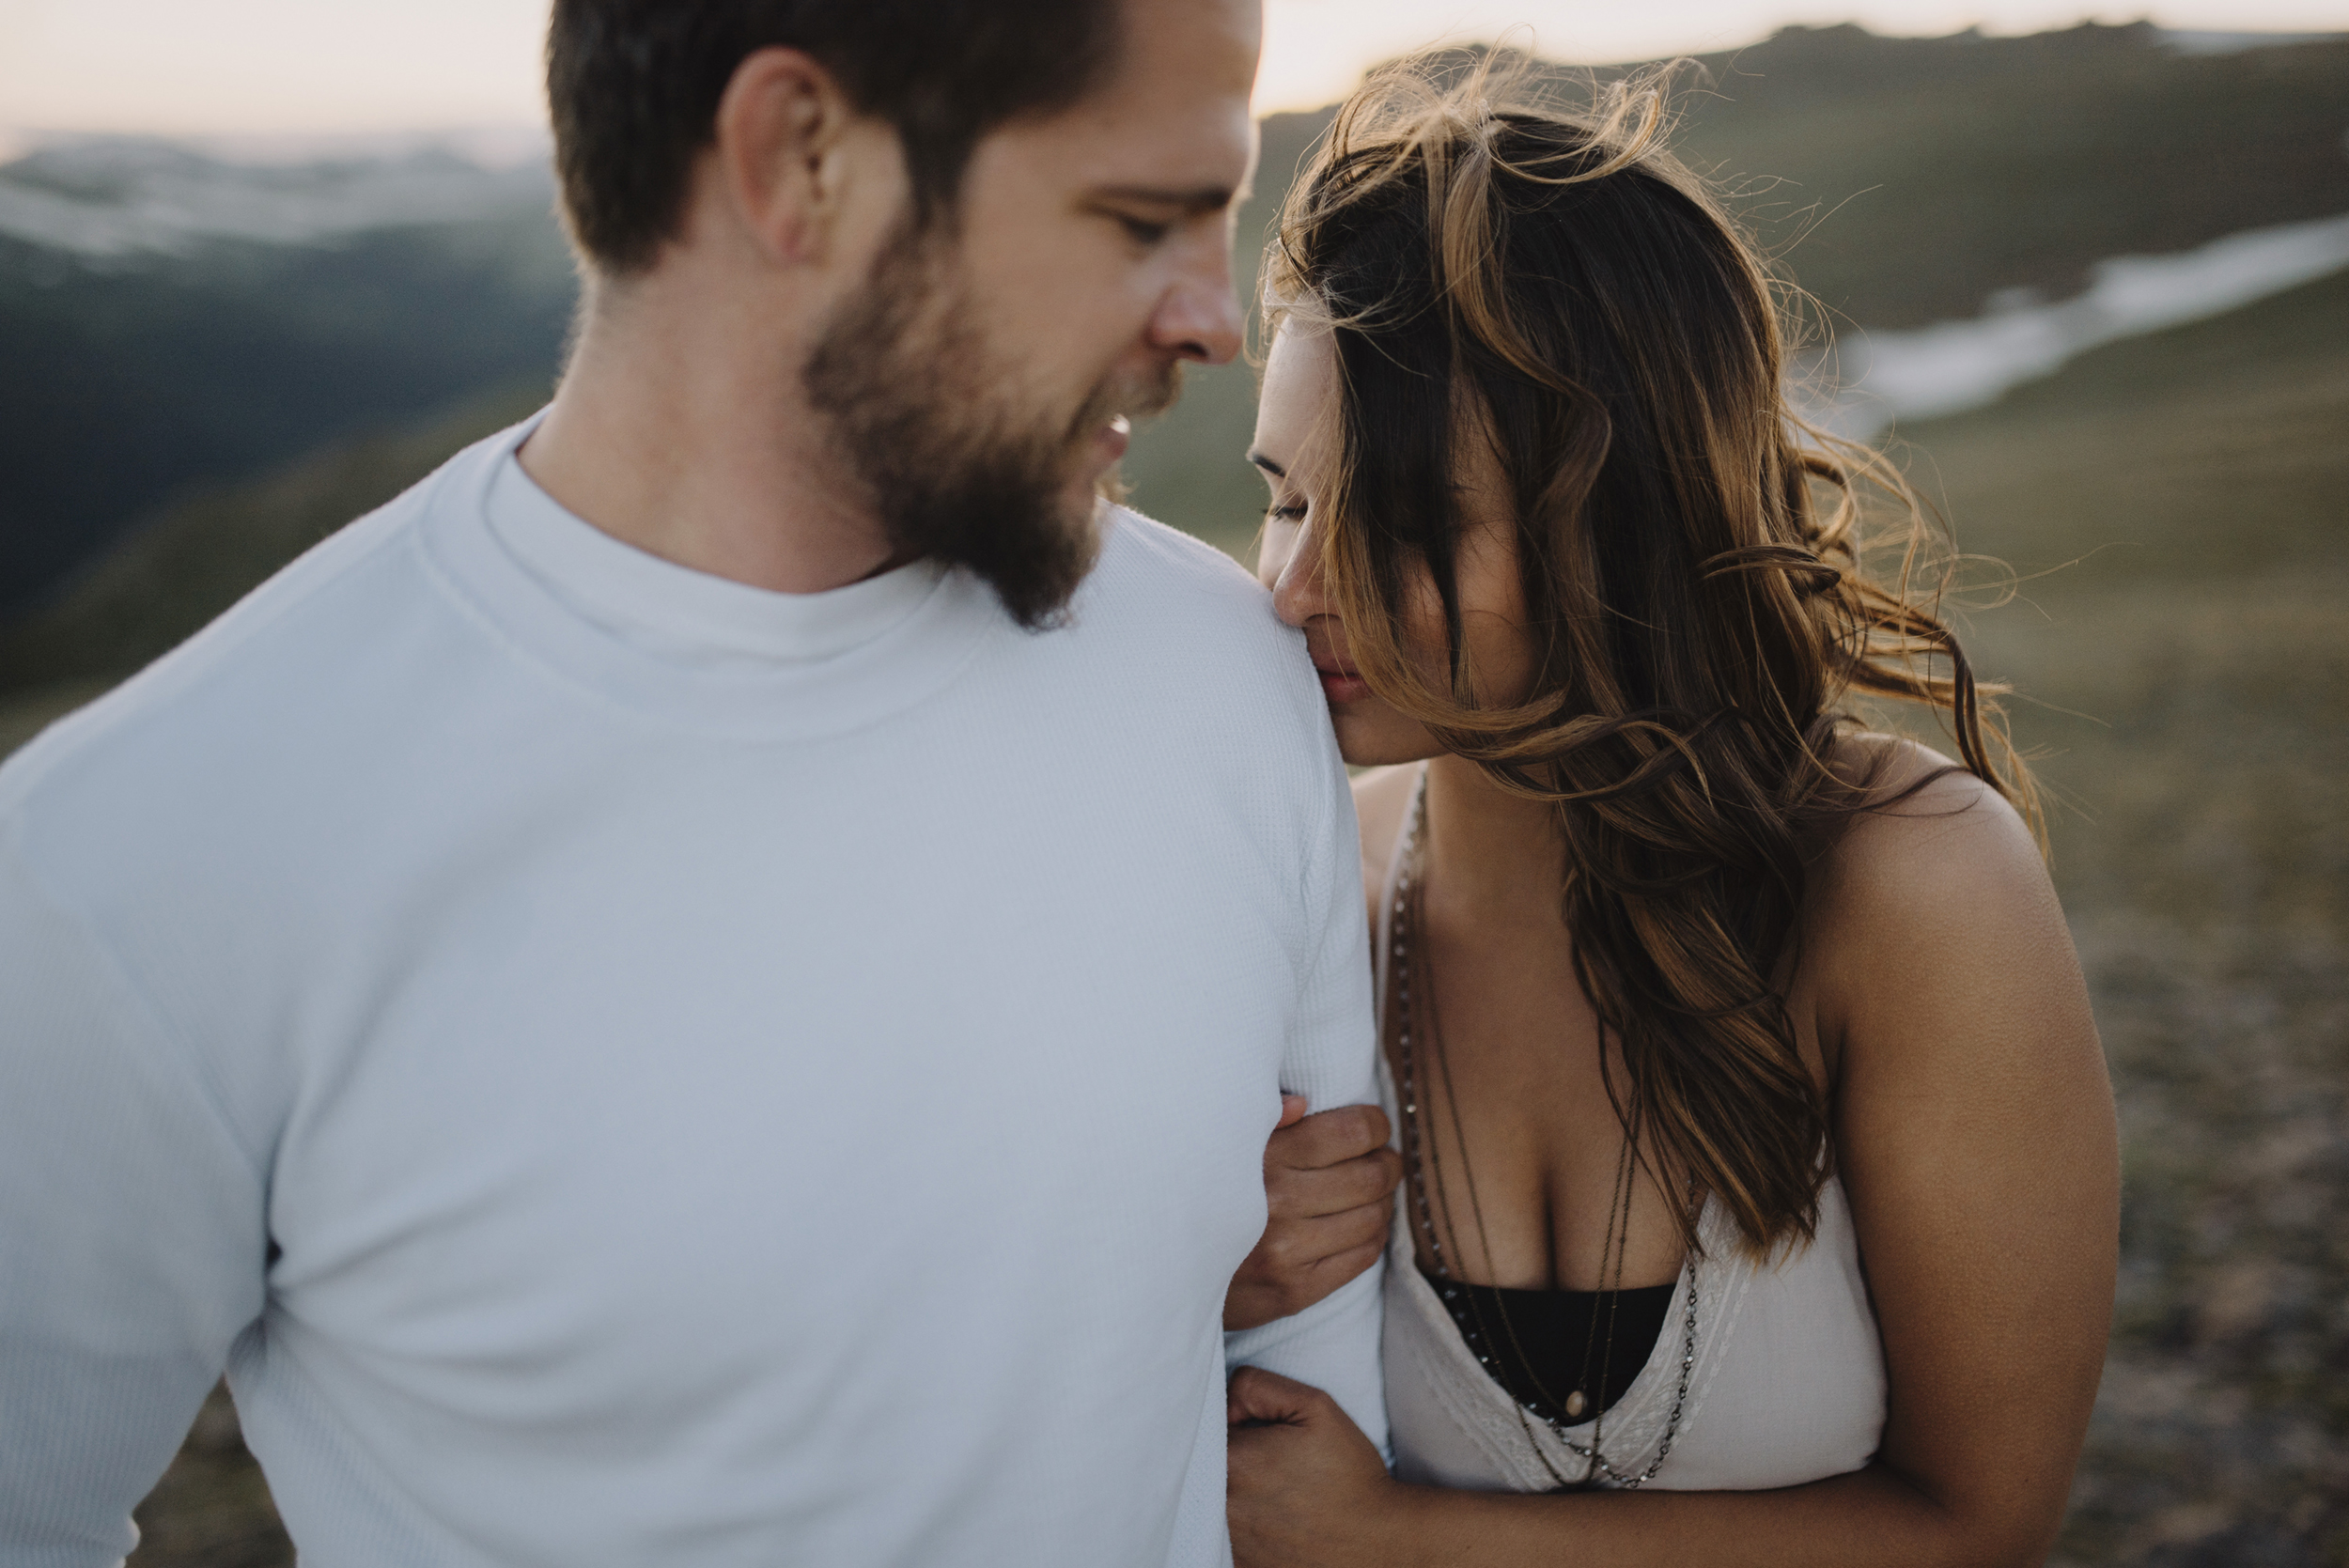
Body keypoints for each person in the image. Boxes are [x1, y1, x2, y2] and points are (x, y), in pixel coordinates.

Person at [0, 3, 1391, 1563]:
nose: (1214, 318)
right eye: (1141, 219)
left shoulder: (1225, 676)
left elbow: (1314, 1421)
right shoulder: (142, 861)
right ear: (800, 158)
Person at [1222, 59, 2121, 1566]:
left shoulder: (1912, 887)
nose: (1295, 587)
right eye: (1285, 498)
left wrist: (1399, 1541)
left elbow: (1982, 1523)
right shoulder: (1312, 886)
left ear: (1615, 521)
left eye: (1399, 518)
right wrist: (1219, 1279)